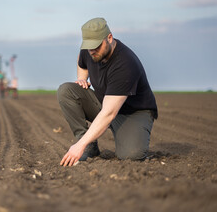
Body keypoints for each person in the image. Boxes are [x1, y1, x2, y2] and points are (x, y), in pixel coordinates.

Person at [57, 17, 158, 167]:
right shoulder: (89, 49)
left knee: (131, 156)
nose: (92, 51)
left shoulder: (125, 64)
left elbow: (109, 113)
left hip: (133, 112)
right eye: (89, 47)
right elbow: (82, 61)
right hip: (104, 102)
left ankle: (86, 143)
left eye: (97, 47)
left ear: (109, 38)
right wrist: (81, 78)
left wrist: (79, 146)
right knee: (66, 91)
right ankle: (90, 147)